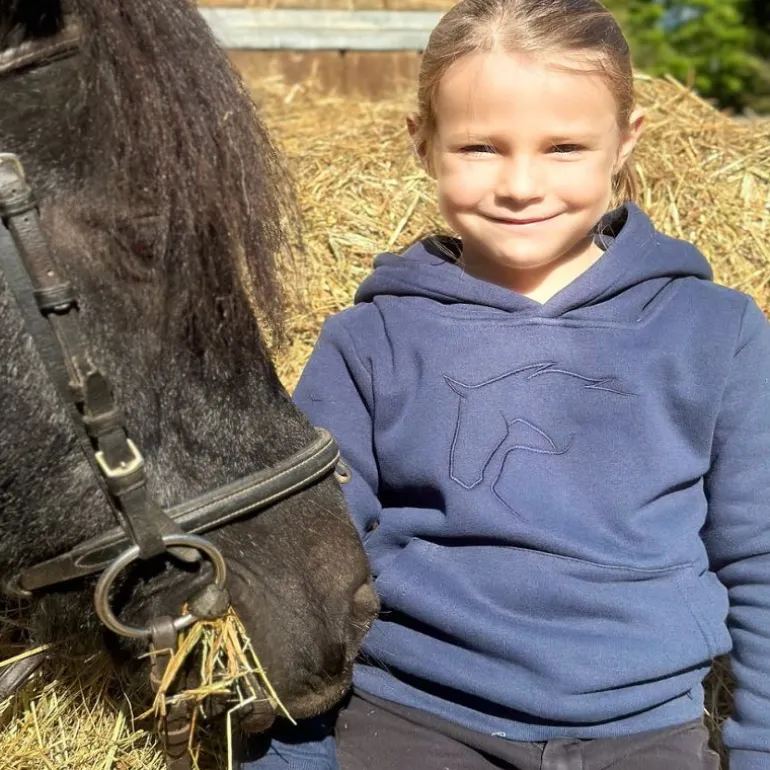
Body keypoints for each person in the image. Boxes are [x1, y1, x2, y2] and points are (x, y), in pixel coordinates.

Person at [241, 0, 770, 768]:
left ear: (626, 142)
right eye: (480, 146)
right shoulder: (371, 341)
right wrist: (293, 754)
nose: (521, 185)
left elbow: (759, 553)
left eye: (563, 147)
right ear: (422, 144)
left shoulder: (714, 331)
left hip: (645, 731)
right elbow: (306, 565)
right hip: (417, 721)